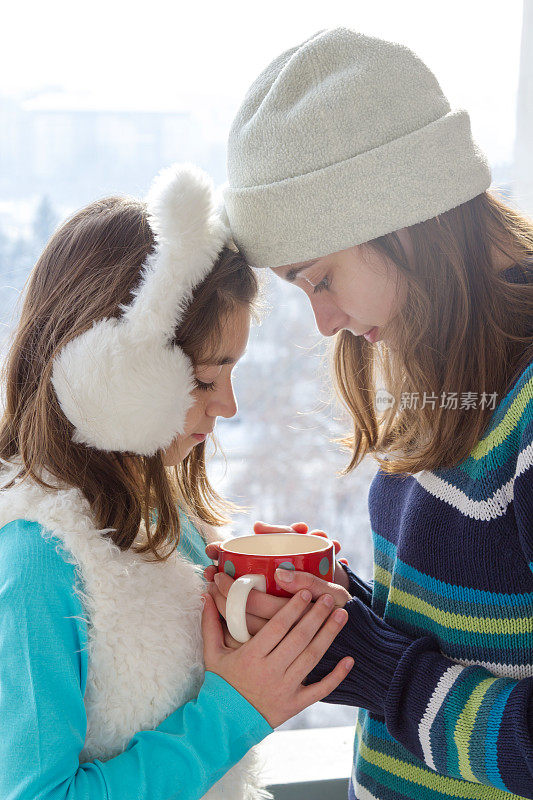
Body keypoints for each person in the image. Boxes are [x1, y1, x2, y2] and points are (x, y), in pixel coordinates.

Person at [208, 27, 533, 800]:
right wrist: (347, 613)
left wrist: (377, 666)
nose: (324, 323)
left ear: (405, 214)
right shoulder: (446, 374)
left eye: (319, 280)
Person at [0, 162, 354, 800]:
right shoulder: (35, 558)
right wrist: (234, 711)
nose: (230, 407)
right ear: (114, 371)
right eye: (206, 378)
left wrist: (263, 613)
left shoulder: (159, 514)